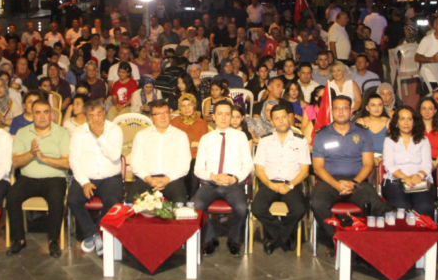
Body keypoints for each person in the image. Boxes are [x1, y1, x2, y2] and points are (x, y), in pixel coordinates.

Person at [311, 96, 391, 256]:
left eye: (344, 108)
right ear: (332, 111)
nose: (341, 112)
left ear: (351, 111)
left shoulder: (363, 133)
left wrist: (354, 182)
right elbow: (318, 167)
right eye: (337, 108)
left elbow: (368, 164)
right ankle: (335, 239)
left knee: (376, 204)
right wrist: (336, 184)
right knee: (316, 203)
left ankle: (368, 243)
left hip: (357, 180)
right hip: (330, 181)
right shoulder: (322, 135)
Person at [7, 100, 70, 258]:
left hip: (54, 177)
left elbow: (66, 163)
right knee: (12, 196)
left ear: (51, 114)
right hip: (28, 178)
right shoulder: (23, 132)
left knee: (56, 198)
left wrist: (43, 158)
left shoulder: (62, 132)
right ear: (32, 115)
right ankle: (19, 239)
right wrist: (31, 154)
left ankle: (53, 241)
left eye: (45, 112)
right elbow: (15, 162)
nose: (42, 116)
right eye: (38, 112)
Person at [193, 101, 253, 257]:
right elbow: (198, 168)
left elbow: (248, 164)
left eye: (228, 114)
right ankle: (210, 238)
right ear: (213, 116)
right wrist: (212, 176)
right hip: (210, 183)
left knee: (241, 209)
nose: (224, 117)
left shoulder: (241, 137)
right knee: (198, 205)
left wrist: (235, 178)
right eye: (220, 114)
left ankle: (233, 240)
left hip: (232, 183)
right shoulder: (205, 139)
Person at [251, 104, 310, 254]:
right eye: (277, 118)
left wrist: (289, 186)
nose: (281, 121)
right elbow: (259, 170)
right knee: (257, 208)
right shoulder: (265, 140)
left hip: (292, 184)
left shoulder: (300, 140)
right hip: (269, 183)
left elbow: (304, 171)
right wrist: (271, 185)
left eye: (284, 117)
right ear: (272, 122)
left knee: (299, 209)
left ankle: (273, 237)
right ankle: (283, 236)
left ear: (289, 118)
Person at [69, 100, 124, 256]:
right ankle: (94, 235)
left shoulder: (115, 130)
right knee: (73, 199)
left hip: (110, 176)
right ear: (86, 116)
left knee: (113, 200)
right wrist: (85, 182)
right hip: (86, 176)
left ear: (104, 113)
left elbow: (114, 155)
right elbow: (74, 161)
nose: (96, 119)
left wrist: (100, 135)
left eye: (99, 114)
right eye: (91, 115)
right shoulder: (79, 133)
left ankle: (97, 234)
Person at [127, 100, 191, 203]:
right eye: (158, 114)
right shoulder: (141, 135)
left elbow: (184, 165)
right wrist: (148, 179)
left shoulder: (181, 136)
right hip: (146, 179)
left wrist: (166, 179)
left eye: (165, 113)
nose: (163, 117)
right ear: (152, 118)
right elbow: (135, 163)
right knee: (130, 201)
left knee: (180, 202)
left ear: (170, 115)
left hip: (172, 180)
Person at [381, 106, 435, 217]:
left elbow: (427, 164)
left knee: (423, 207)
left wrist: (419, 176)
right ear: (397, 122)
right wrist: (405, 177)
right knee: (402, 207)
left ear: (414, 122)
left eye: (409, 119)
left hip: (420, 181)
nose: (406, 123)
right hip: (395, 181)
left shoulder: (423, 140)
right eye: (402, 119)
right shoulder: (390, 140)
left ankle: (421, 234)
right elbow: (388, 165)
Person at [356, 93, 390, 159]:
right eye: (373, 105)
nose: (377, 108)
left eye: (380, 105)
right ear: (367, 108)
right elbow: (358, 145)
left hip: (385, 158)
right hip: (366, 158)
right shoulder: (361, 122)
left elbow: (393, 144)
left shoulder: (388, 122)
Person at [419, 97, 438, 172]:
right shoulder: (414, 128)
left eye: (430, 108)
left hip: (436, 161)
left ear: (435, 111)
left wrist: (436, 163)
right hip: (418, 161)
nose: (427, 111)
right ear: (420, 111)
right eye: (424, 108)